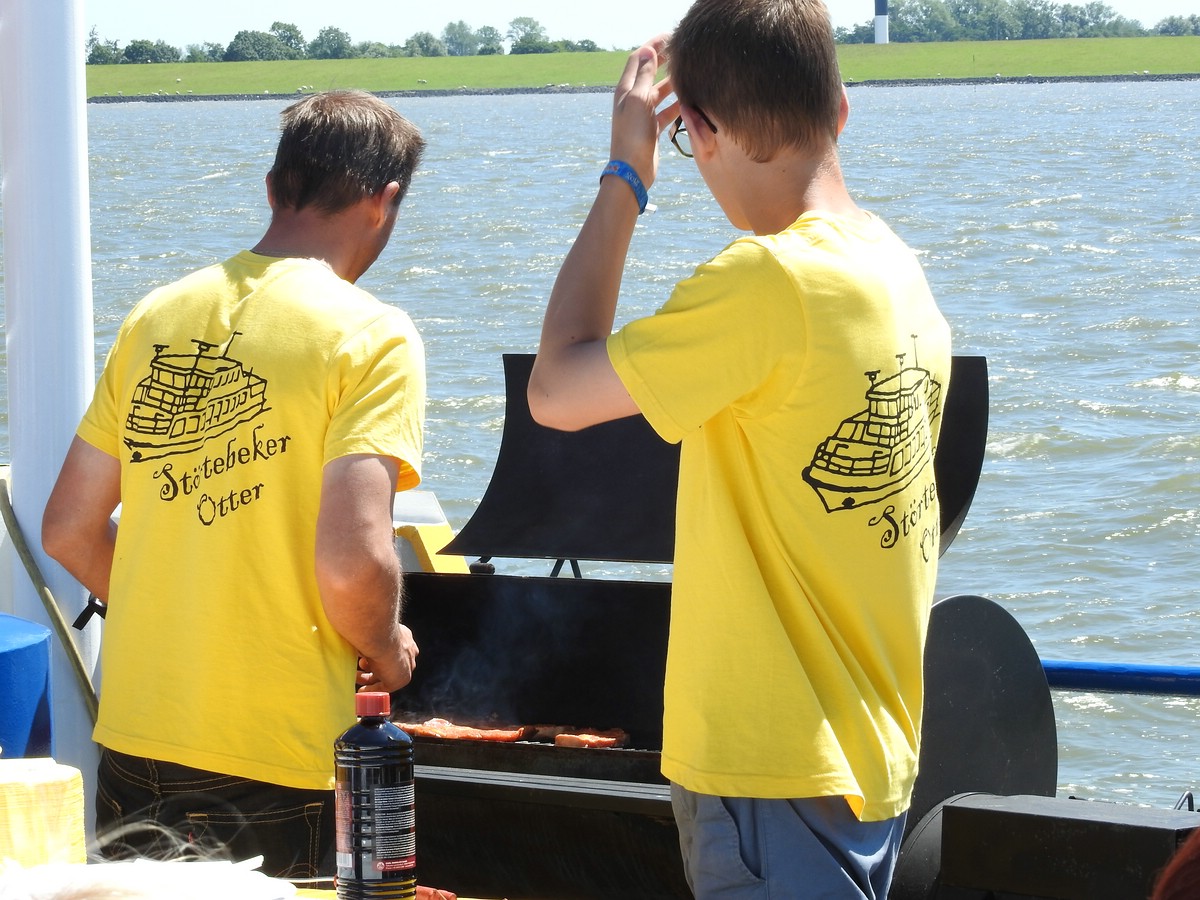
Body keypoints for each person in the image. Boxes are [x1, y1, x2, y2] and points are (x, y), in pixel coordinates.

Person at [527, 1, 952, 896]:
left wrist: (626, 174)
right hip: (871, 758)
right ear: (839, 108)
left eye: (686, 139)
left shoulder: (768, 280)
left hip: (772, 768)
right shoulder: (895, 269)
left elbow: (554, 391)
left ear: (703, 130)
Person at [41, 89, 427, 880]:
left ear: (273, 187)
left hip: (139, 740)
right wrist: (390, 652)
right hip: (277, 756)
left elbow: (69, 528)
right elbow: (353, 563)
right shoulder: (372, 333)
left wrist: (173, 613)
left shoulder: (156, 315)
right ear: (384, 201)